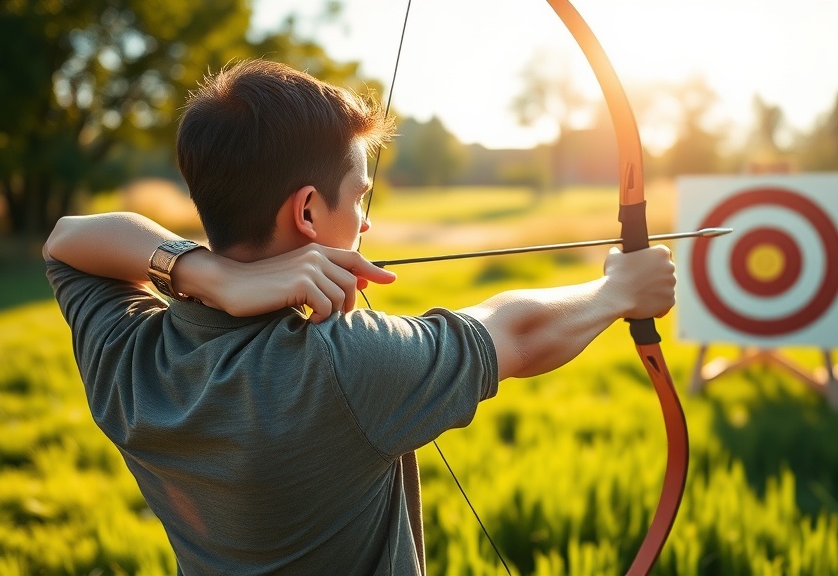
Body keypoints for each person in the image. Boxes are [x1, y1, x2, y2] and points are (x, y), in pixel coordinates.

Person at [44, 59, 676, 575]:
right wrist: (619, 290)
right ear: (308, 212)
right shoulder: (334, 363)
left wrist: (210, 274)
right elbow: (517, 333)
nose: (366, 224)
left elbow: (66, 241)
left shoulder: (129, 358)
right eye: (360, 198)